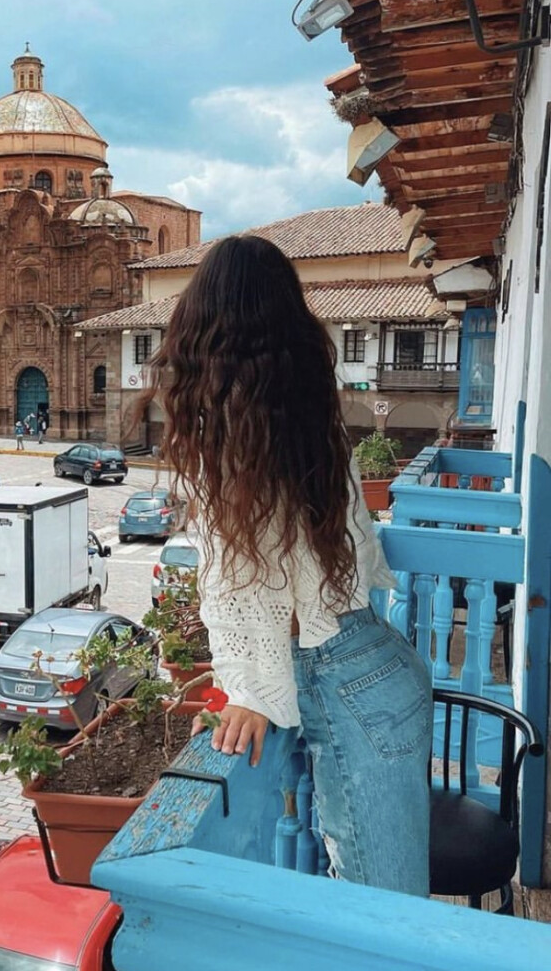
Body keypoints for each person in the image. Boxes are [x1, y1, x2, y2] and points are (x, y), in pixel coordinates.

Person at [147, 235, 432, 896]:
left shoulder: (240, 444)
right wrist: (243, 688)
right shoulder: (308, 417)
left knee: (376, 919)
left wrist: (246, 693)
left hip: (347, 686)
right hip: (377, 670)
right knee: (377, 899)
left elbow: (244, 579)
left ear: (204, 328)